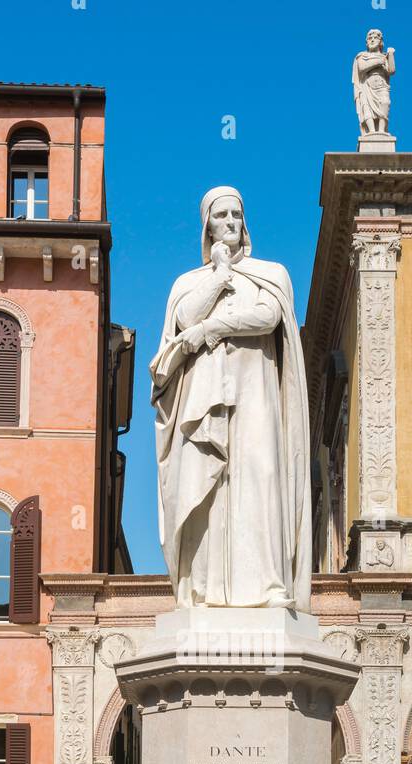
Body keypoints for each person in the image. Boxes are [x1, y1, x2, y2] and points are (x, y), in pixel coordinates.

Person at [151, 186, 312, 611]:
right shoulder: (189, 283)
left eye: (237, 215)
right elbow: (185, 317)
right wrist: (220, 276)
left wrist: (212, 329)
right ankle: (205, 589)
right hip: (204, 399)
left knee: (260, 476)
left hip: (256, 393)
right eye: (220, 216)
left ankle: (268, 586)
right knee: (209, 487)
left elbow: (269, 317)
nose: (230, 223)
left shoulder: (271, 273)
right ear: (207, 227)